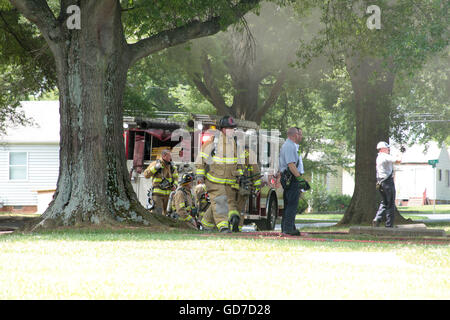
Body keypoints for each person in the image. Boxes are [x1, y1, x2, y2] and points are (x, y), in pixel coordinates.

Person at [195, 116, 242, 233]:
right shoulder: (213, 141)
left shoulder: (234, 142)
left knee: (225, 203)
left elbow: (238, 161)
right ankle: (223, 227)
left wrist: (240, 174)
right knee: (220, 202)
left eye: (233, 128)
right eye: (229, 128)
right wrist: (200, 175)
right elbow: (201, 159)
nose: (232, 130)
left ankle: (206, 223)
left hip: (229, 181)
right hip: (215, 181)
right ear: (222, 129)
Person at [279, 127, 308, 236]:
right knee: (292, 204)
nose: (301, 136)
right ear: (294, 135)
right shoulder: (289, 146)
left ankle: (289, 227)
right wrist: (300, 179)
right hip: (291, 178)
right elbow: (291, 165)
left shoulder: (292, 146)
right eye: (299, 134)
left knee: (289, 203)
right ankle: (288, 229)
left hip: (291, 178)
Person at [373, 141, 401, 228]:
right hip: (387, 182)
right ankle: (389, 225)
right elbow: (398, 161)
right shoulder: (385, 156)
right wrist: (400, 153)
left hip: (380, 182)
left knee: (384, 202)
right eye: (387, 148)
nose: (388, 149)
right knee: (390, 203)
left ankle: (377, 219)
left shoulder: (378, 157)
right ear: (382, 149)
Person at [143, 149, 178, 216]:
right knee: (157, 214)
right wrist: (155, 168)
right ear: (164, 156)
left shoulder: (172, 166)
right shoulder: (155, 164)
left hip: (168, 195)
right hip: (157, 195)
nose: (171, 158)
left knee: (166, 214)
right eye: (169, 156)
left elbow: (176, 177)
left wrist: (175, 185)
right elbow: (146, 175)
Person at [236, 146, 261, 232]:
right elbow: (255, 171)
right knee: (240, 208)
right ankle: (238, 227)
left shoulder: (230, 150)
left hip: (229, 184)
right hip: (243, 185)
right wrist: (256, 186)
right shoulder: (250, 153)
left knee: (229, 206)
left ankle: (225, 226)